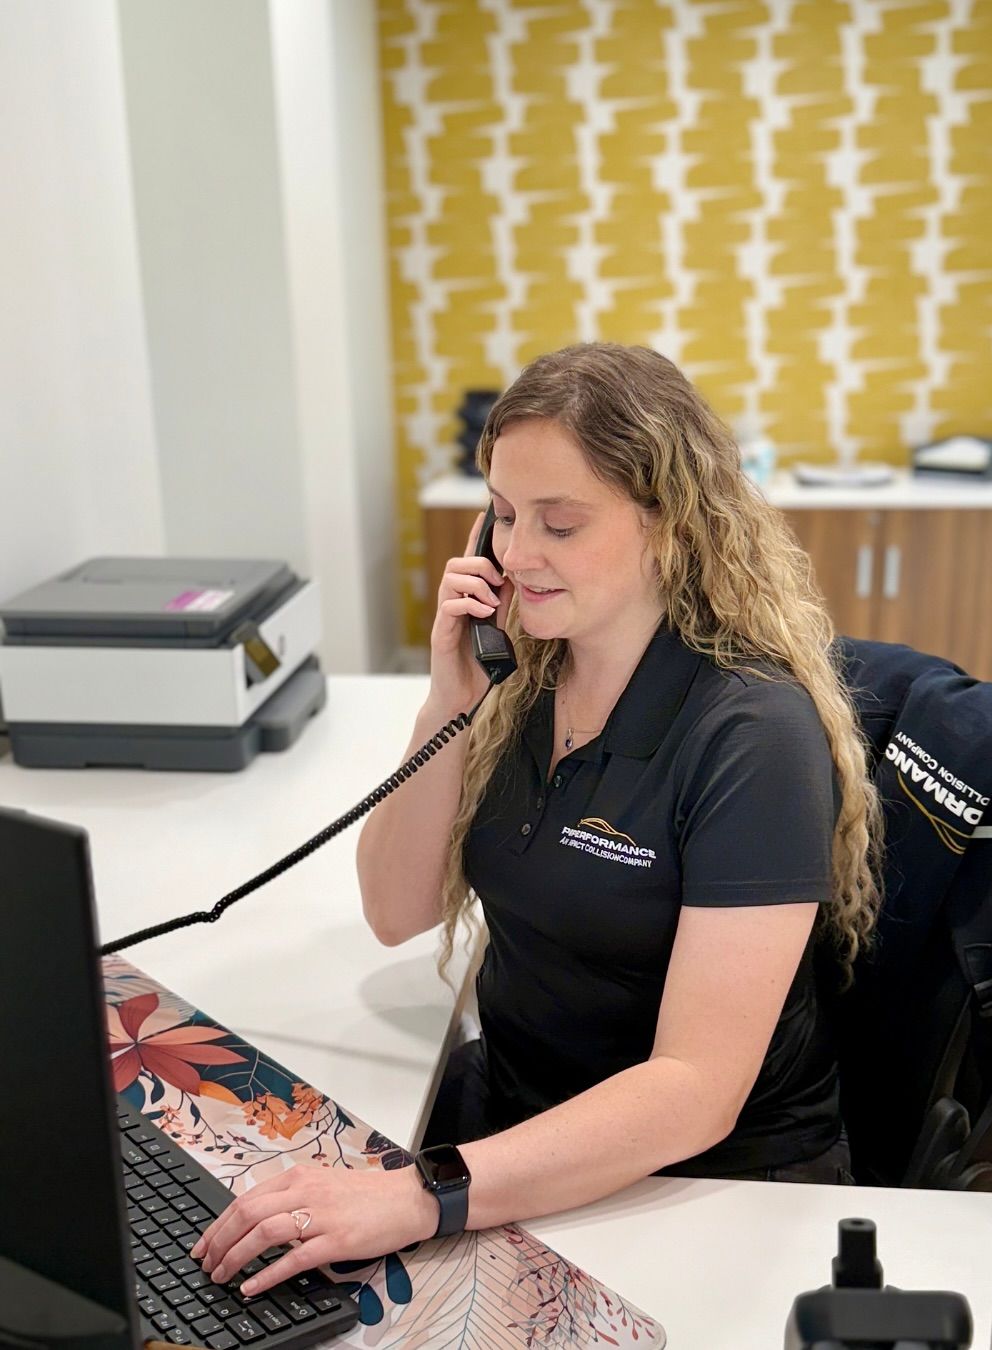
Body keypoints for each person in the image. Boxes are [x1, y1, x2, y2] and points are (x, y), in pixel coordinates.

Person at [191, 342, 881, 1299]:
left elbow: (695, 1088)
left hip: (700, 1185)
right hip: (521, 1132)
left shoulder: (752, 734)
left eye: (560, 524)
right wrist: (448, 700)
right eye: (504, 517)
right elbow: (396, 908)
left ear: (671, 527)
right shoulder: (526, 678)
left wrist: (428, 1193)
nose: (515, 557)